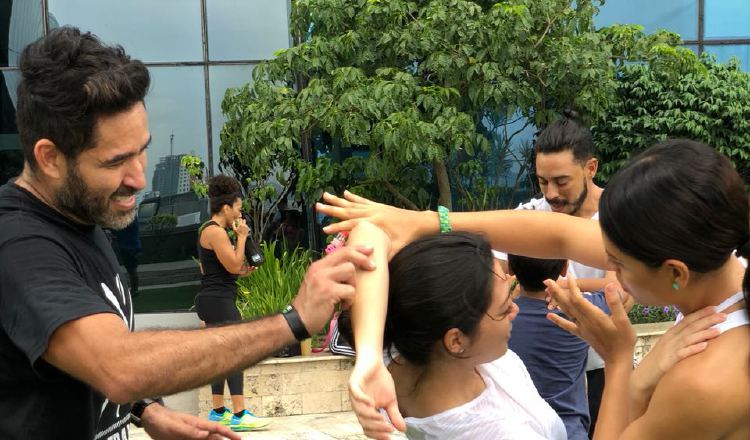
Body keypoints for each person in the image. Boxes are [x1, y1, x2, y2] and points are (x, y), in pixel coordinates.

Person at [0, 27, 376, 440]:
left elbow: (77, 362)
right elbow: (118, 365)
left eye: (143, 149)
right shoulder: (17, 244)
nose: (140, 178)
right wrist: (293, 320)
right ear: (50, 158)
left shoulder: (84, 216)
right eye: (115, 161)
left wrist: (145, 410)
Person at [317, 138, 749, 439]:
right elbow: (556, 234)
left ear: (676, 272)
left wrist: (625, 368)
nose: (606, 267)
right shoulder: (718, 262)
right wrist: (429, 223)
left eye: (614, 262)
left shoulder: (707, 380)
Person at [342, 224, 567, 439]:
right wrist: (605, 356)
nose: (515, 310)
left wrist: (368, 357)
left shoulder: (409, 339)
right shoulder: (496, 432)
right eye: (503, 309)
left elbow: (369, 231)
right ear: (456, 341)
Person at [496, 117, 616, 433]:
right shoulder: (531, 216)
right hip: (530, 373)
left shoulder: (620, 216)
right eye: (542, 181)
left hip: (599, 369)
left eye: (561, 182)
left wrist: (556, 287)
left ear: (590, 168)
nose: (551, 194)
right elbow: (493, 269)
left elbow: (627, 290)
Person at [507, 254, 618, 440]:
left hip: (515, 430)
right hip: (570, 431)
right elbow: (617, 290)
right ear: (565, 268)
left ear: (510, 268)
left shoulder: (500, 316)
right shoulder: (580, 310)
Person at [195, 175, 268, 431]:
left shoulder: (209, 230)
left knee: (220, 355)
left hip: (214, 298)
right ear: (226, 208)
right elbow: (234, 263)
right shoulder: (216, 232)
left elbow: (225, 269)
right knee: (236, 353)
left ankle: (217, 411)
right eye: (238, 207)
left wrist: (242, 270)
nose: (240, 212)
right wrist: (242, 237)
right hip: (219, 301)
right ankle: (239, 414)